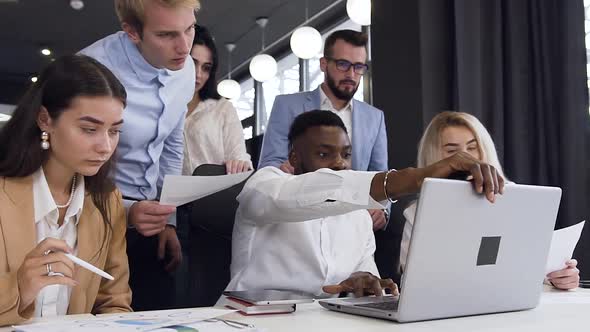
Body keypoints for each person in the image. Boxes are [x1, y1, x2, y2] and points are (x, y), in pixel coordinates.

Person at [226, 110, 503, 297]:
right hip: (253, 321)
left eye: (346, 154)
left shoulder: (358, 213)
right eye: (324, 153)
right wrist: (415, 178)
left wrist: (364, 280)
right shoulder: (264, 185)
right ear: (295, 158)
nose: (339, 163)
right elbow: (300, 196)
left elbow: (365, 269)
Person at [80, 0, 199, 310]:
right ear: (132, 32)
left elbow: (172, 144)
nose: (184, 46)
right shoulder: (92, 70)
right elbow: (70, 166)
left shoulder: (185, 68)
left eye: (189, 29)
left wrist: (168, 218)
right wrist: (128, 210)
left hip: (150, 218)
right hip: (92, 217)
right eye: (166, 35)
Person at [0, 55, 131, 326]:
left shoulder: (107, 200)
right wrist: (18, 291)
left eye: (114, 131)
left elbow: (115, 303)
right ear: (45, 120)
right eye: (89, 129)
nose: (105, 146)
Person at [399, 111, 579, 290]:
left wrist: (559, 277)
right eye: (452, 151)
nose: (465, 158)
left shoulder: (517, 199)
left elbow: (536, 265)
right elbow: (411, 279)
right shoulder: (419, 211)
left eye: (472, 147)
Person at [258, 29, 389, 230]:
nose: (351, 74)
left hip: (353, 224)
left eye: (359, 67)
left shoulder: (374, 117)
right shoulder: (286, 105)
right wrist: (282, 171)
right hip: (298, 221)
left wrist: (383, 211)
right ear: (323, 64)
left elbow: (380, 175)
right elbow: (269, 166)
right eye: (343, 64)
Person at [183, 25, 251, 175]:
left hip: (213, 194)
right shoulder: (161, 106)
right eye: (192, 63)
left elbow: (238, 155)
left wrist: (239, 164)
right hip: (163, 195)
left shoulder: (222, 109)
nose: (198, 74)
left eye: (206, 68)